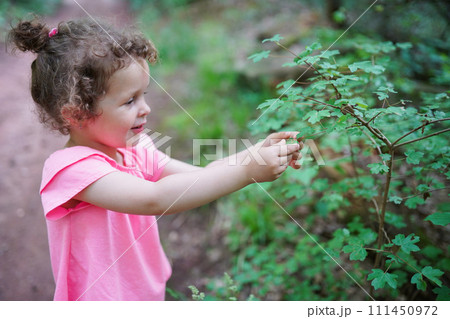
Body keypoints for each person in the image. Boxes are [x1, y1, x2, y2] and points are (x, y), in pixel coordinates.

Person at [8, 17, 303, 301]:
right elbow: (156, 198)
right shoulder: (71, 170)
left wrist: (253, 155)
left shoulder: (137, 148)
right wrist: (248, 171)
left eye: (144, 95)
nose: (146, 108)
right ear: (76, 114)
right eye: (129, 101)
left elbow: (196, 177)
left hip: (146, 293)